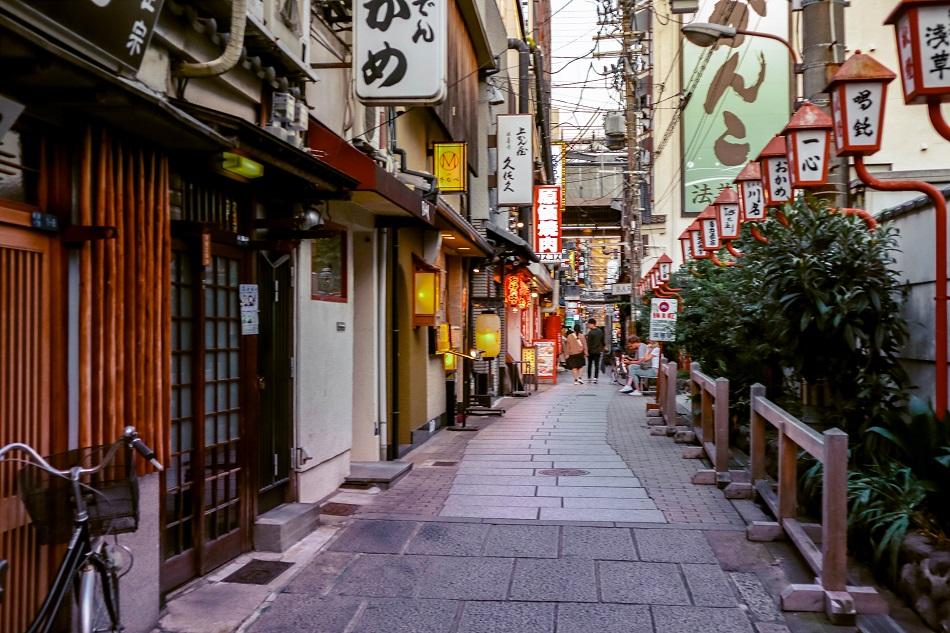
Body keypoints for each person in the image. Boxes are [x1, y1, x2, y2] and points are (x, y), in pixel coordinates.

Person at [585, 318, 605, 383]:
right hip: (598, 351)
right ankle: (595, 378)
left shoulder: (590, 333)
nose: (588, 325)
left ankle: (589, 378)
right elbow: (602, 341)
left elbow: (588, 343)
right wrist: (604, 347)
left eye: (588, 324)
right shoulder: (600, 331)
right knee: (596, 365)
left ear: (592, 324)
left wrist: (586, 351)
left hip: (591, 351)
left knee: (590, 365)